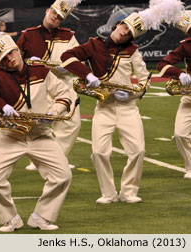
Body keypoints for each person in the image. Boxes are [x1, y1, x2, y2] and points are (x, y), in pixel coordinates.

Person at [0, 10, 72, 231]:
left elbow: (65, 93)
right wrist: (1, 105)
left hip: (40, 134)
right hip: (10, 136)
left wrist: (55, 112)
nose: (10, 60)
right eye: (4, 59)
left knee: (63, 176)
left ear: (17, 50)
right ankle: (9, 218)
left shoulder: (41, 70)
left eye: (11, 54)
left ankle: (41, 216)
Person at [61, 12, 152, 204]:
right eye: (124, 27)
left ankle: (129, 192)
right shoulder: (94, 45)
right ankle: (108, 193)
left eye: (129, 33)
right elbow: (66, 56)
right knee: (99, 152)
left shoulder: (132, 51)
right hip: (104, 107)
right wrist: (87, 75)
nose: (124, 33)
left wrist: (131, 93)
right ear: (117, 24)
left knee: (138, 151)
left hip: (128, 107)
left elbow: (145, 81)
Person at [16, 0, 82, 170]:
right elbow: (16, 60)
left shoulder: (68, 35)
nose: (56, 18)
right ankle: (37, 159)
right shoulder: (28, 35)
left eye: (60, 17)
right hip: (38, 85)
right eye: (54, 13)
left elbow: (77, 57)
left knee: (72, 124)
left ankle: (57, 158)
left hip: (64, 83)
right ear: (47, 11)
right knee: (38, 126)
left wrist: (67, 65)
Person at [157, 10, 191, 180]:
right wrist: (180, 74)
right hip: (189, 98)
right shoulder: (186, 45)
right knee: (180, 134)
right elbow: (162, 65)